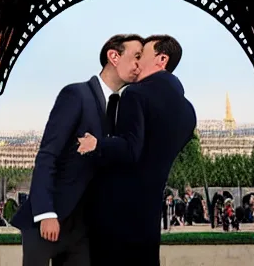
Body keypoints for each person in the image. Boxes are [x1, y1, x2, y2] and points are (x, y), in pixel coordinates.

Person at [11, 34, 143, 266]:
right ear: (114, 56)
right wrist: (46, 214)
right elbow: (48, 154)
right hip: (50, 221)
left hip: (83, 228)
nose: (139, 65)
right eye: (136, 57)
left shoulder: (121, 108)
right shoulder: (76, 94)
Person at [78, 35, 196, 266]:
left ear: (162, 59)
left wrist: (98, 144)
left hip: (116, 209)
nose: (137, 63)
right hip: (149, 212)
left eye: (142, 55)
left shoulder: (136, 94)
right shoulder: (188, 110)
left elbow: (131, 149)